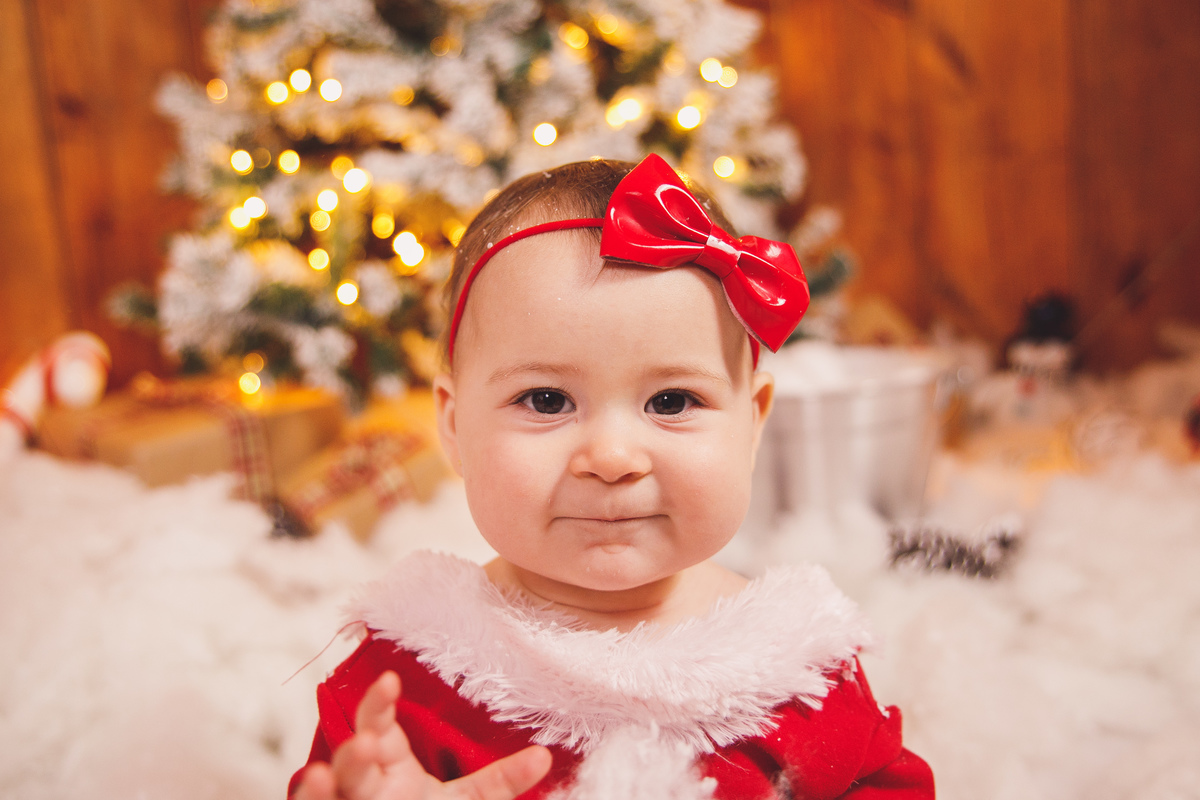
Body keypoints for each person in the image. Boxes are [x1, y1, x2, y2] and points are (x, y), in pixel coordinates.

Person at [290, 155, 935, 800]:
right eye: (546, 401)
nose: (613, 456)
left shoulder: (799, 671)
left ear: (754, 421)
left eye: (672, 401)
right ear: (455, 427)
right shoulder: (406, 683)